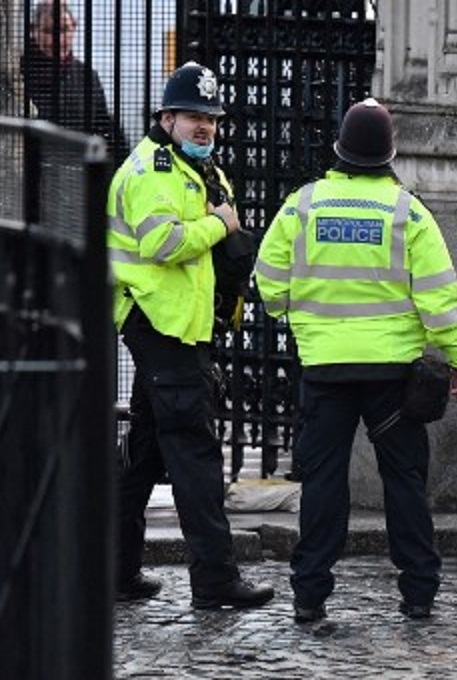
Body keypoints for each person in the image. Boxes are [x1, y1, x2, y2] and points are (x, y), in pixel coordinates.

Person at [255, 98, 457, 623]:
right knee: (404, 481)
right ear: (390, 153)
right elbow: (439, 296)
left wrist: (299, 313)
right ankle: (419, 591)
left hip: (325, 369)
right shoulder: (407, 212)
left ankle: (310, 594)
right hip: (392, 376)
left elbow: (268, 284)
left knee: (324, 482)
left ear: (339, 149)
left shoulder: (303, 205)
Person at [107, 61, 273, 610]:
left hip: (182, 328)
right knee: (196, 457)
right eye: (193, 117)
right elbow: (163, 243)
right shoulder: (153, 170)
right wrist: (220, 224)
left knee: (146, 456)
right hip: (162, 327)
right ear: (166, 117)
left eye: (211, 118)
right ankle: (216, 580)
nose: (204, 126)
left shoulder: (199, 171)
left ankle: (115, 570)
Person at [23, 0, 128, 161]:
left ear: (74, 26)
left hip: (75, 175)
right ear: (33, 30)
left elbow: (104, 127)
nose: (58, 40)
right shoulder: (18, 72)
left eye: (64, 30)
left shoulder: (87, 76)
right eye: (48, 31)